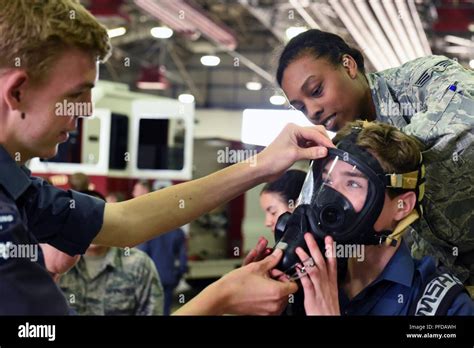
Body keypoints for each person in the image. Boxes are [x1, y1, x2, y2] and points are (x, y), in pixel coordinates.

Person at [0, 0, 331, 315]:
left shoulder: (19, 190)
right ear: (16, 92)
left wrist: (261, 165)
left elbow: (123, 222)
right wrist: (222, 297)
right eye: (74, 95)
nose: (84, 111)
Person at [276, 29, 474, 285]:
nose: (312, 111)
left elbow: (467, 112)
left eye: (316, 91)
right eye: (300, 107)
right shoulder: (340, 156)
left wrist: (371, 160)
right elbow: (313, 212)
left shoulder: (422, 78)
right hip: (447, 280)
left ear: (348, 66)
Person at [287, 121, 473, 315]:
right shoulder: (301, 280)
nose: (329, 197)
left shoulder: (445, 307)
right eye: (327, 180)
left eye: (352, 183)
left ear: (402, 207)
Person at [58, 190, 164, 316]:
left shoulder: (138, 264)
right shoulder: (57, 264)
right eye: (81, 219)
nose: (89, 227)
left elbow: (152, 311)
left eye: (96, 218)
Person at [134, 180, 188, 315]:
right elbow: (182, 261)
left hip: (149, 279)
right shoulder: (178, 231)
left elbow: (141, 255)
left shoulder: (147, 228)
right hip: (167, 278)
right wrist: (176, 277)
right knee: (165, 310)